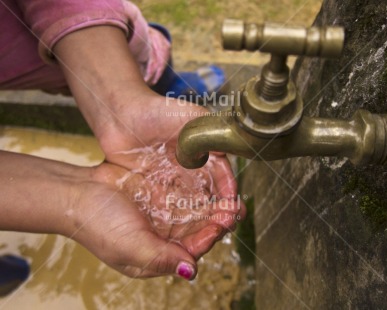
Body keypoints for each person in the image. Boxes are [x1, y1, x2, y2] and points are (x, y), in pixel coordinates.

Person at [0, 0, 245, 285]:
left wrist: (121, 104)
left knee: (153, 68)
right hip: (38, 61)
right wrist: (72, 199)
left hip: (99, 40)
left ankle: (174, 85)